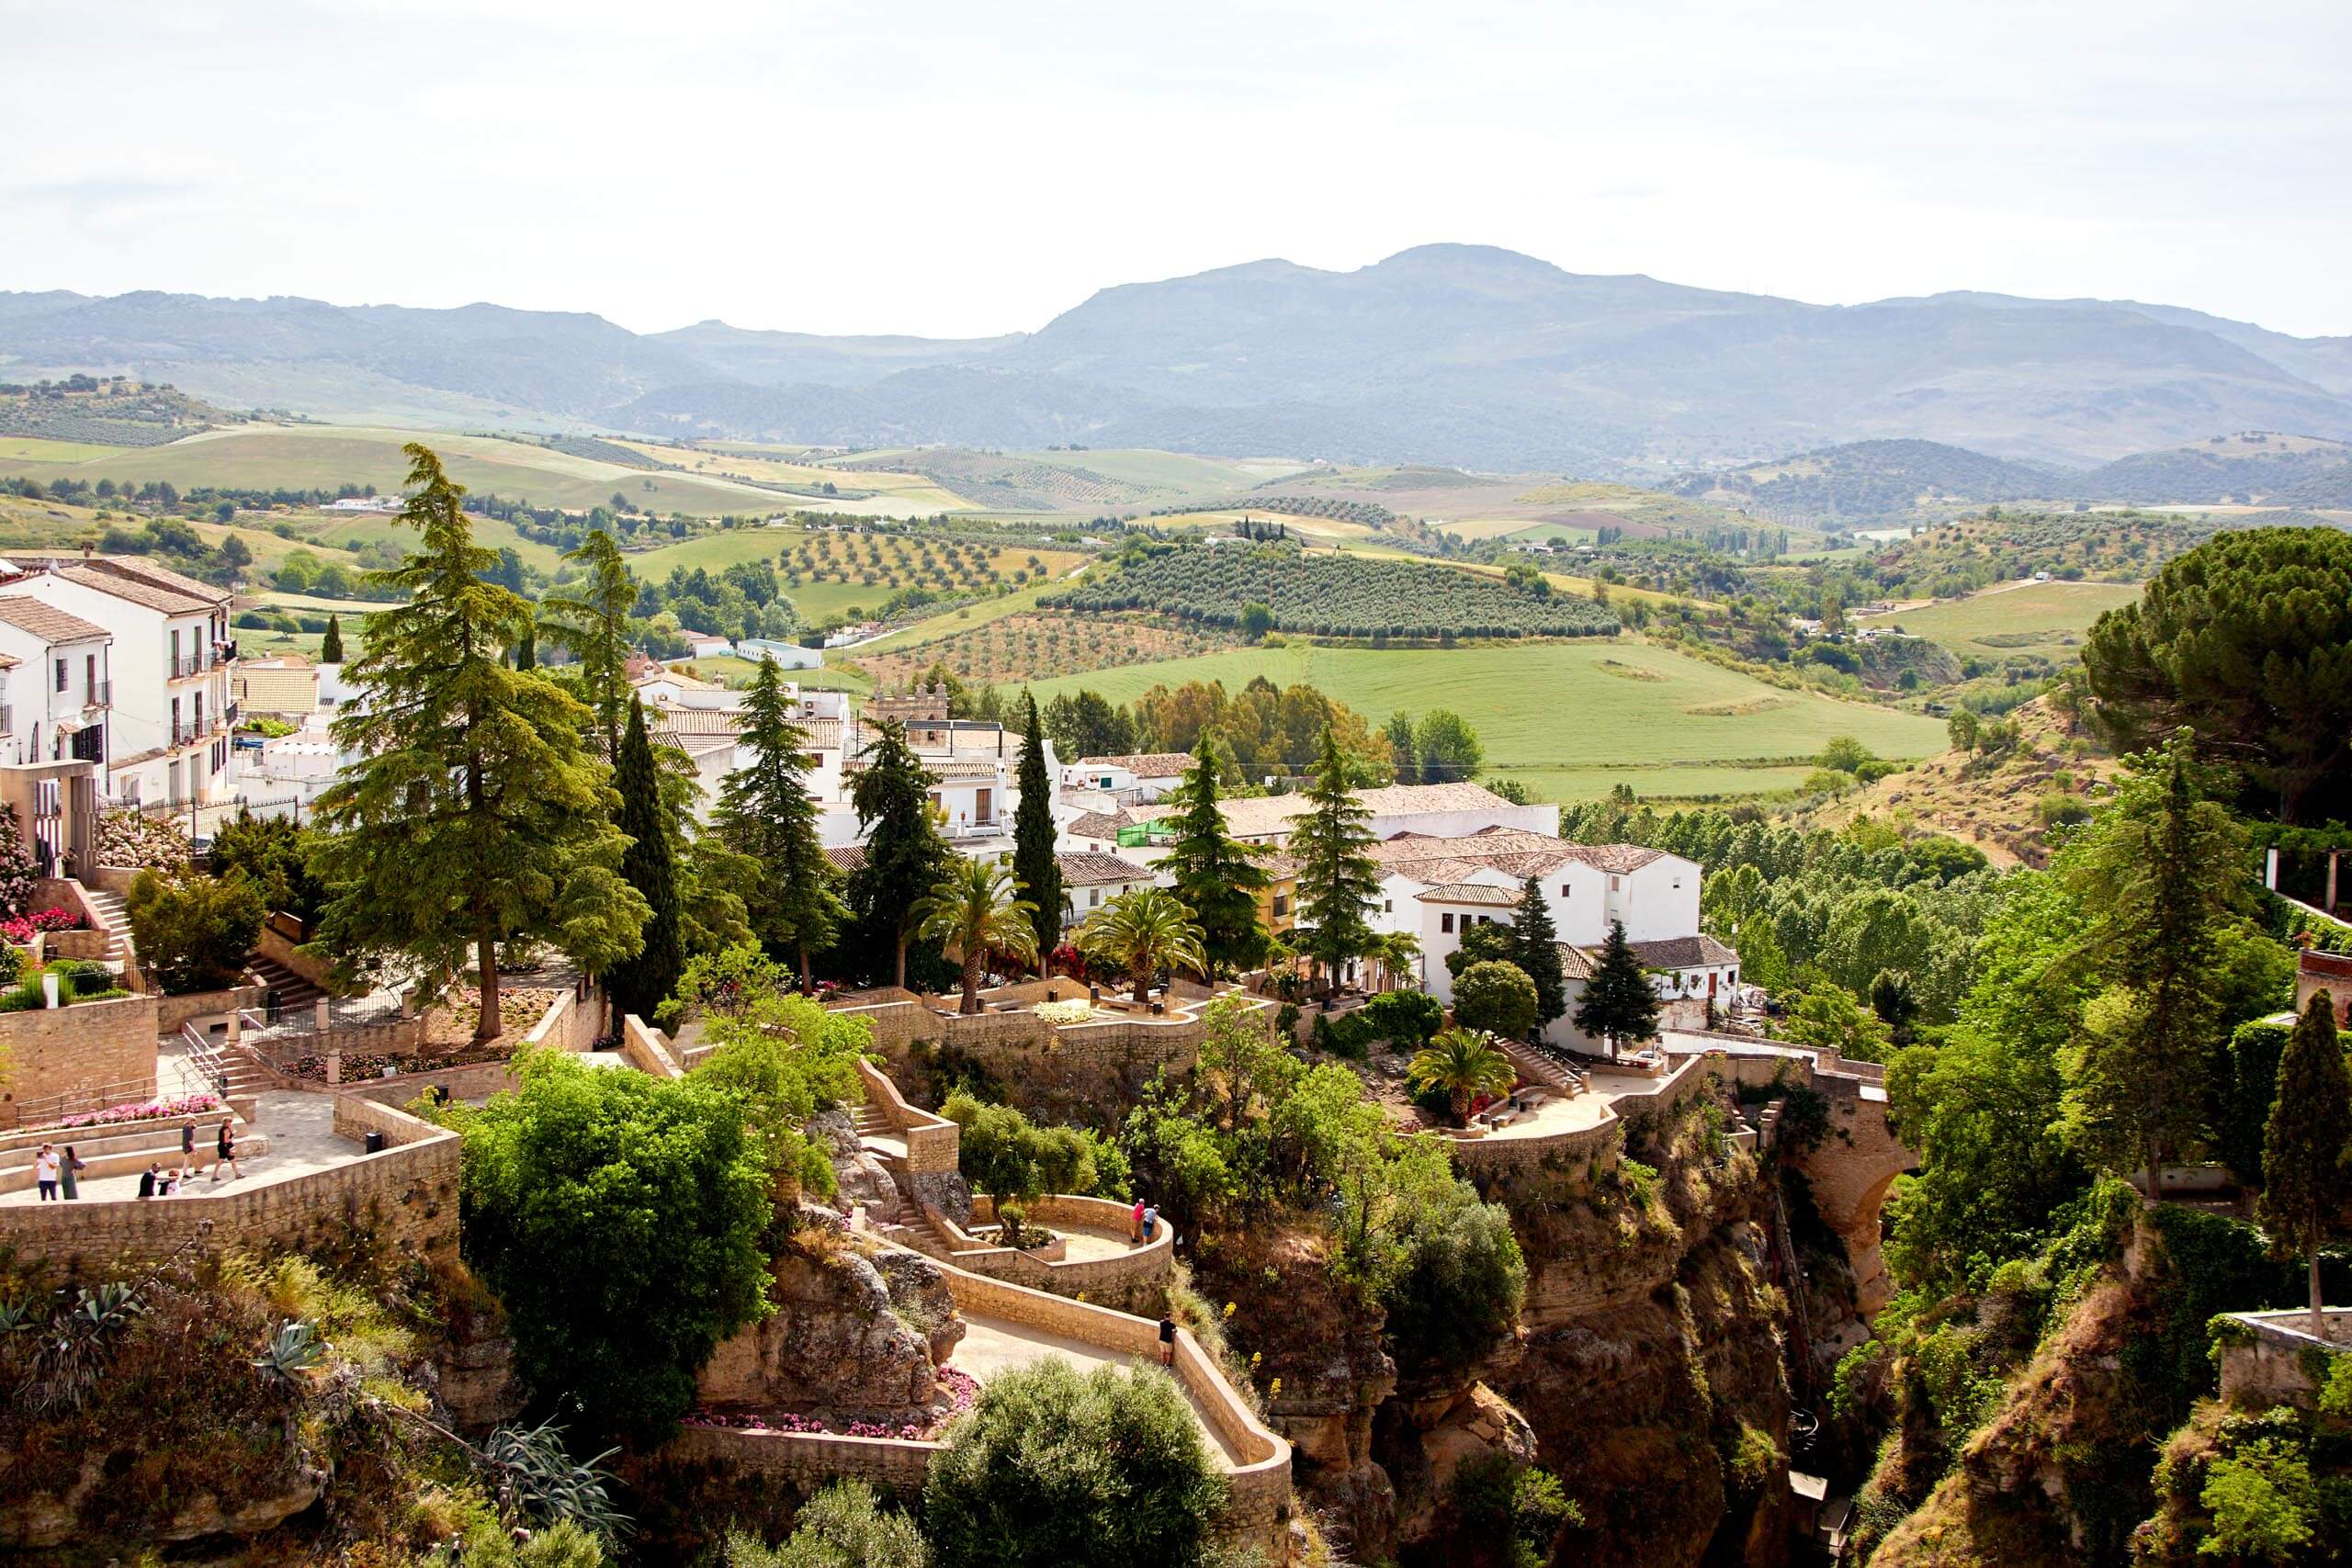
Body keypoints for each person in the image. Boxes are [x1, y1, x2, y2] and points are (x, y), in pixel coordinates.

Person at [211, 1117, 243, 1182]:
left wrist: (232, 1133)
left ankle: (214, 1175)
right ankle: (237, 1174)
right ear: (227, 1122)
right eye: (230, 1122)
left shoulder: (223, 1129)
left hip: (222, 1146)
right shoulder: (226, 1130)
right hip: (226, 1147)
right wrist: (231, 1139)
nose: (231, 1123)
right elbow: (226, 1140)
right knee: (233, 1160)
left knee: (220, 1161)